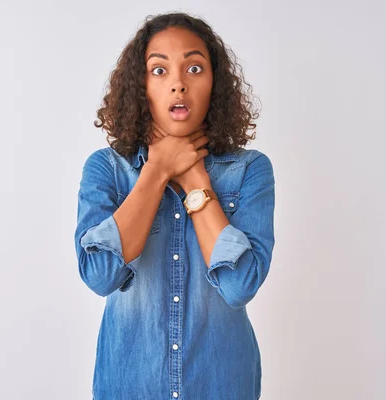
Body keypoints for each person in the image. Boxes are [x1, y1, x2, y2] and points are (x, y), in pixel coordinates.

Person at [75, 12, 275, 400]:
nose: (178, 84)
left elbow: (238, 284)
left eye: (194, 67)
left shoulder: (250, 170)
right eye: (159, 70)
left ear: (214, 83)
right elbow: (100, 275)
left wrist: (195, 177)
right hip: (129, 386)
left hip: (222, 385)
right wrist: (158, 169)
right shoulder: (106, 170)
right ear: (141, 86)